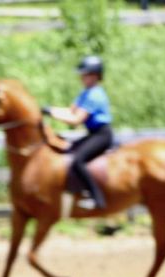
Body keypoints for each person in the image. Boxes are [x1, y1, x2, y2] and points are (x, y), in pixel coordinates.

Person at [42, 55, 114, 210]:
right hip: (93, 133)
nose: (81, 77)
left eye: (85, 74)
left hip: (102, 135)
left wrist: (51, 113)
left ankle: (97, 198)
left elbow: (75, 120)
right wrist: (48, 109)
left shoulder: (95, 95)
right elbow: (70, 111)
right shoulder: (85, 93)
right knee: (69, 149)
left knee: (78, 160)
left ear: (95, 75)